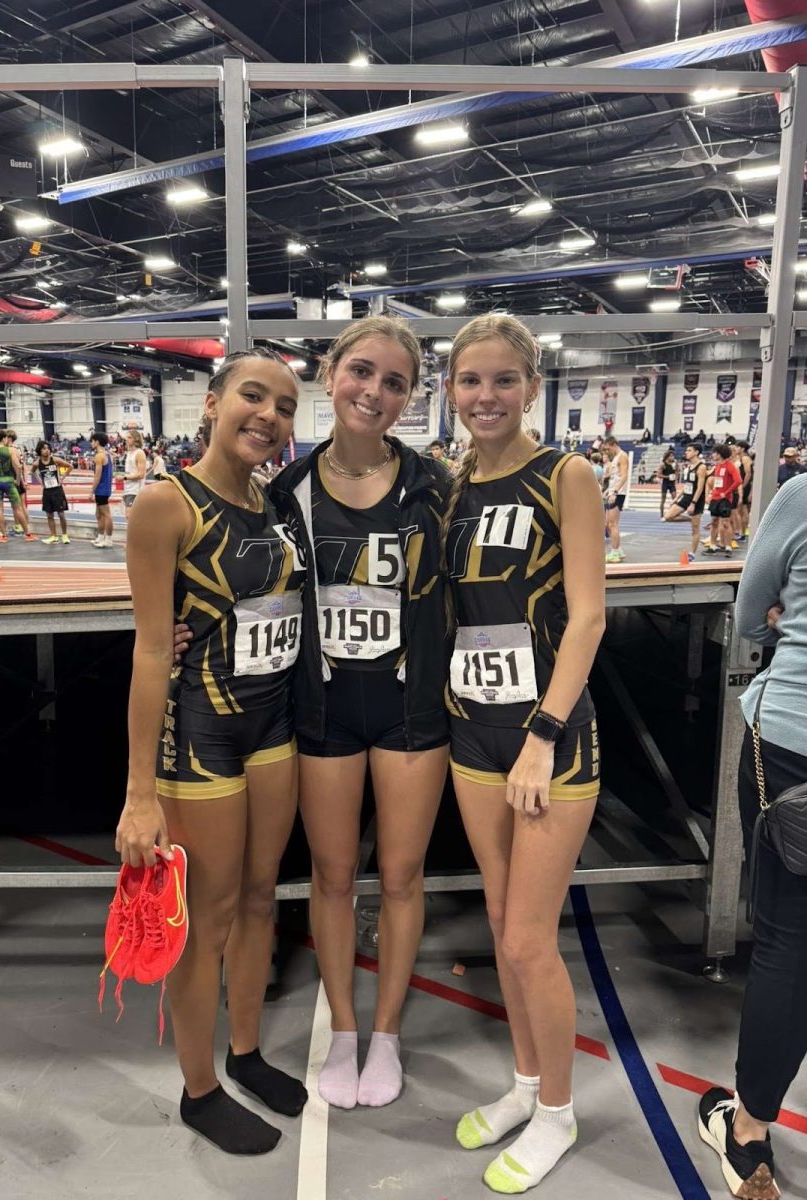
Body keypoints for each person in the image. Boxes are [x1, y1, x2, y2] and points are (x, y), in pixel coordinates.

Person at [173, 317, 453, 1109]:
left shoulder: (436, 483)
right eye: (362, 371)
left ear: (408, 398)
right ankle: (340, 1024)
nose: (375, 391)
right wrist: (177, 620)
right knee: (331, 878)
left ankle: (386, 1031)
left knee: (399, 877)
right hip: (320, 712)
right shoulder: (282, 495)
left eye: (395, 382)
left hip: (411, 712)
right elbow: (234, 575)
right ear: (332, 376)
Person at [115, 348, 308, 1157]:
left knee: (263, 898)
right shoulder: (168, 504)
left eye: (286, 405)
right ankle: (200, 1090)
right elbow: (151, 652)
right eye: (253, 397)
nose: (268, 415)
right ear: (213, 402)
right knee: (210, 918)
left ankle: (246, 1050)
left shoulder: (273, 505)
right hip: (199, 737)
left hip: (273, 729)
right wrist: (139, 793)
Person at [441, 315, 604, 1194]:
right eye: (471, 382)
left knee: (534, 941)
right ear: (453, 390)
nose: (486, 397)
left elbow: (587, 617)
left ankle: (559, 1115)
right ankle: (526, 1084)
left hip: (548, 741)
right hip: (473, 734)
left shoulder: (564, 475)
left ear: (533, 388)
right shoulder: (452, 483)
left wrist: (542, 736)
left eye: (504, 381)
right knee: (504, 932)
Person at [698, 471, 807, 1200]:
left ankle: (748, 1130)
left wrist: (779, 619)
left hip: (796, 738)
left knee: (788, 943)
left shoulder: (802, 498)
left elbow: (746, 616)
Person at [0, 430, 37, 543]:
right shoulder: (10, 450)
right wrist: (18, 480)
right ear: (4, 438)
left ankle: (3, 535)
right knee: (18, 508)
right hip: (9, 481)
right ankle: (28, 534)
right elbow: (18, 467)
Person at [662, 443, 708, 562]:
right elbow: (687, 484)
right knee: (668, 516)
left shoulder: (701, 467)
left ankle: (692, 553)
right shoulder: (688, 467)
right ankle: (689, 519)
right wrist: (676, 498)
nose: (686, 452)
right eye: (686, 450)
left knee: (695, 529)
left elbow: (700, 487)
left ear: (696, 452)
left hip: (696, 499)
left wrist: (693, 503)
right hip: (686, 496)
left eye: (689, 450)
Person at [704, 444, 741, 558]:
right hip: (715, 498)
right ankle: (713, 546)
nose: (713, 455)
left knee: (725, 523)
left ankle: (728, 547)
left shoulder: (730, 466)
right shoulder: (717, 466)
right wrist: (712, 494)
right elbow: (716, 482)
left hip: (724, 499)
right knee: (714, 521)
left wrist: (727, 492)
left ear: (719, 454)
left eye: (714, 452)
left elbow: (738, 480)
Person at [32, 441, 72, 544]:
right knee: (49, 515)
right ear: (40, 450)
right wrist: (41, 482)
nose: (47, 450)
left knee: (61, 514)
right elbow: (32, 472)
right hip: (47, 491)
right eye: (44, 448)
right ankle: (53, 536)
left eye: (48, 448)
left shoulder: (55, 460)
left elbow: (70, 466)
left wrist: (62, 478)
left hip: (57, 490)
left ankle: (64, 535)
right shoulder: (37, 463)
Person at [601, 435, 628, 563]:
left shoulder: (622, 456)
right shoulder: (615, 458)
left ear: (613, 444)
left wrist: (615, 492)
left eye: (607, 449)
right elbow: (614, 478)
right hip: (611, 492)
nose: (607, 452)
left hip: (617, 494)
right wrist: (607, 491)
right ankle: (619, 549)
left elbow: (624, 476)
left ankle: (615, 552)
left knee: (613, 524)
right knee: (607, 524)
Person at [90, 432, 114, 547]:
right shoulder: (108, 454)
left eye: (92, 441)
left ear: (97, 442)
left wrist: (91, 491)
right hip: (105, 488)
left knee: (106, 514)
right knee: (98, 514)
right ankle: (100, 537)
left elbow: (97, 476)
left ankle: (108, 539)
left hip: (101, 489)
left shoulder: (99, 456)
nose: (91, 443)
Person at [122, 429, 147, 509]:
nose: (126, 439)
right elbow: (131, 471)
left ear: (136, 439)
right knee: (130, 517)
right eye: (126, 437)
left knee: (130, 516)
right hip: (128, 488)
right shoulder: (129, 453)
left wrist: (124, 477)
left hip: (135, 490)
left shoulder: (139, 453)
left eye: (129, 437)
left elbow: (141, 474)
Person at [658, 449, 677, 519]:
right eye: (671, 456)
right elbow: (658, 475)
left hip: (672, 483)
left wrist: (676, 477)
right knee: (663, 499)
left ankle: (673, 514)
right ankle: (662, 514)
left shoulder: (674, 463)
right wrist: (668, 477)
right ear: (667, 457)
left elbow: (677, 471)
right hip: (665, 483)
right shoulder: (662, 464)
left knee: (675, 498)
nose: (673, 457)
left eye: (673, 456)